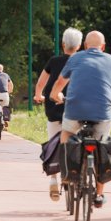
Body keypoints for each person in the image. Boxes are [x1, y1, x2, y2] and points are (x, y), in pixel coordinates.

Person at [49, 31, 111, 208]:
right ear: (103, 47)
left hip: (75, 110)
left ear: (84, 46)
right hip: (102, 114)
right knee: (104, 146)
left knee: (66, 134)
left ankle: (67, 174)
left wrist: (56, 95)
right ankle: (99, 194)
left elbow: (60, 83)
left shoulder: (75, 59)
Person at [34, 27, 83, 201]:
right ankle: (78, 172)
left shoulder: (53, 61)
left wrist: (38, 95)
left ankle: (53, 180)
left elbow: (41, 83)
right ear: (78, 46)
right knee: (78, 140)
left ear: (63, 44)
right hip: (76, 109)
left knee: (54, 141)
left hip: (54, 109)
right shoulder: (82, 61)